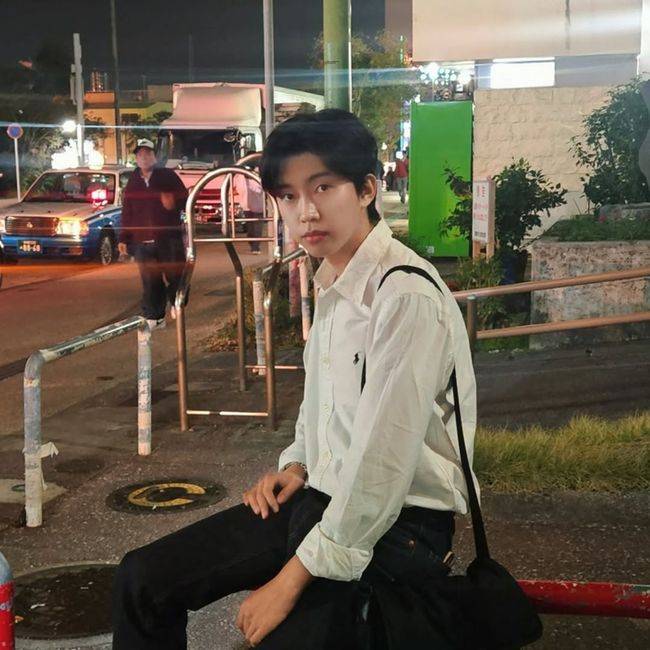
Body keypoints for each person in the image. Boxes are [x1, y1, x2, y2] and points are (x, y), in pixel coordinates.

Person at [112, 110, 477, 649]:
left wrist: (288, 582)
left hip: (399, 525)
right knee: (141, 579)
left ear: (367, 190)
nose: (305, 212)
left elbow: (382, 463)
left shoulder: (405, 297)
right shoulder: (334, 281)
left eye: (323, 187)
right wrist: (298, 463)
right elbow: (321, 403)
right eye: (287, 196)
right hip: (322, 496)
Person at [118, 138, 189, 329]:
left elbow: (186, 199)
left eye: (147, 154)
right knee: (150, 281)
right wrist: (124, 238)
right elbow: (127, 211)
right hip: (143, 242)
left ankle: (177, 303)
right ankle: (155, 316)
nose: (144, 158)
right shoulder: (133, 181)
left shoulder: (167, 176)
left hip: (168, 239)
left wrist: (173, 201)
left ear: (155, 157)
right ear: (136, 159)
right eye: (140, 154)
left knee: (176, 276)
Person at [234, 159, 265, 254]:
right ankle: (253, 244)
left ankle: (255, 247)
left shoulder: (258, 175)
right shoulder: (240, 176)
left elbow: (260, 189)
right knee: (250, 228)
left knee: (257, 228)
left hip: (259, 206)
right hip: (246, 206)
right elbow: (237, 187)